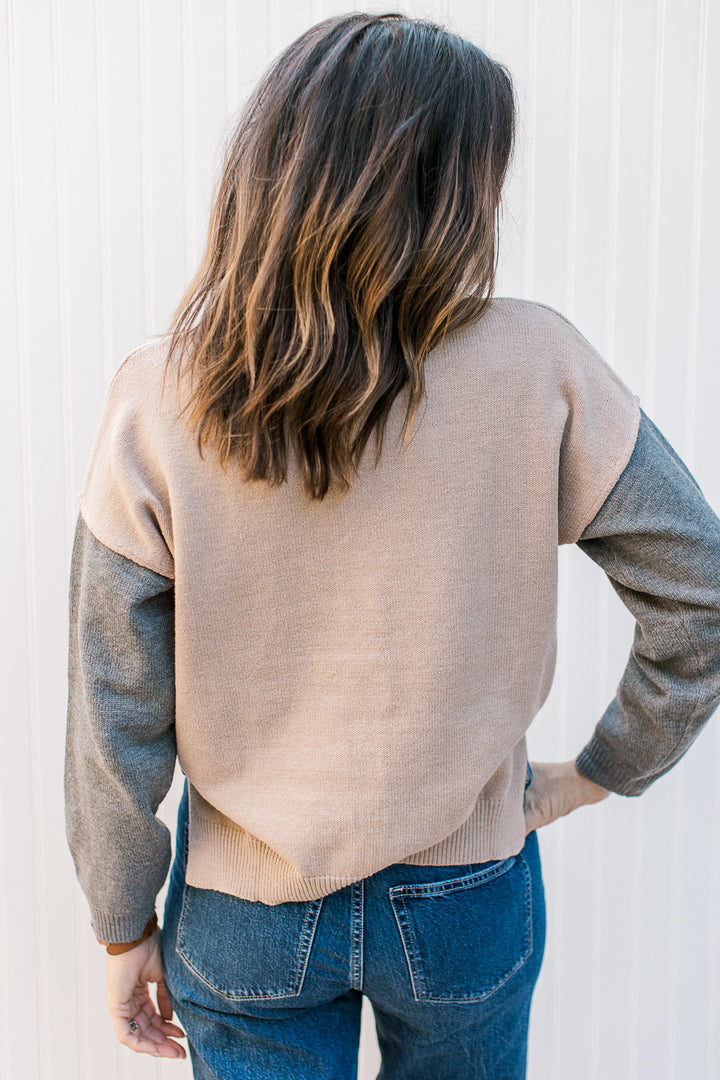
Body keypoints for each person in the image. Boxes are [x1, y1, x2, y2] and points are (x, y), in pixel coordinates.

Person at [64, 12, 720, 1079]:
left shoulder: (158, 394)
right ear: (458, 188)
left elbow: (112, 704)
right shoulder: (540, 363)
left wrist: (119, 923)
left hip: (245, 907)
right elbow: (703, 589)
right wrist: (602, 772)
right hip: (468, 896)